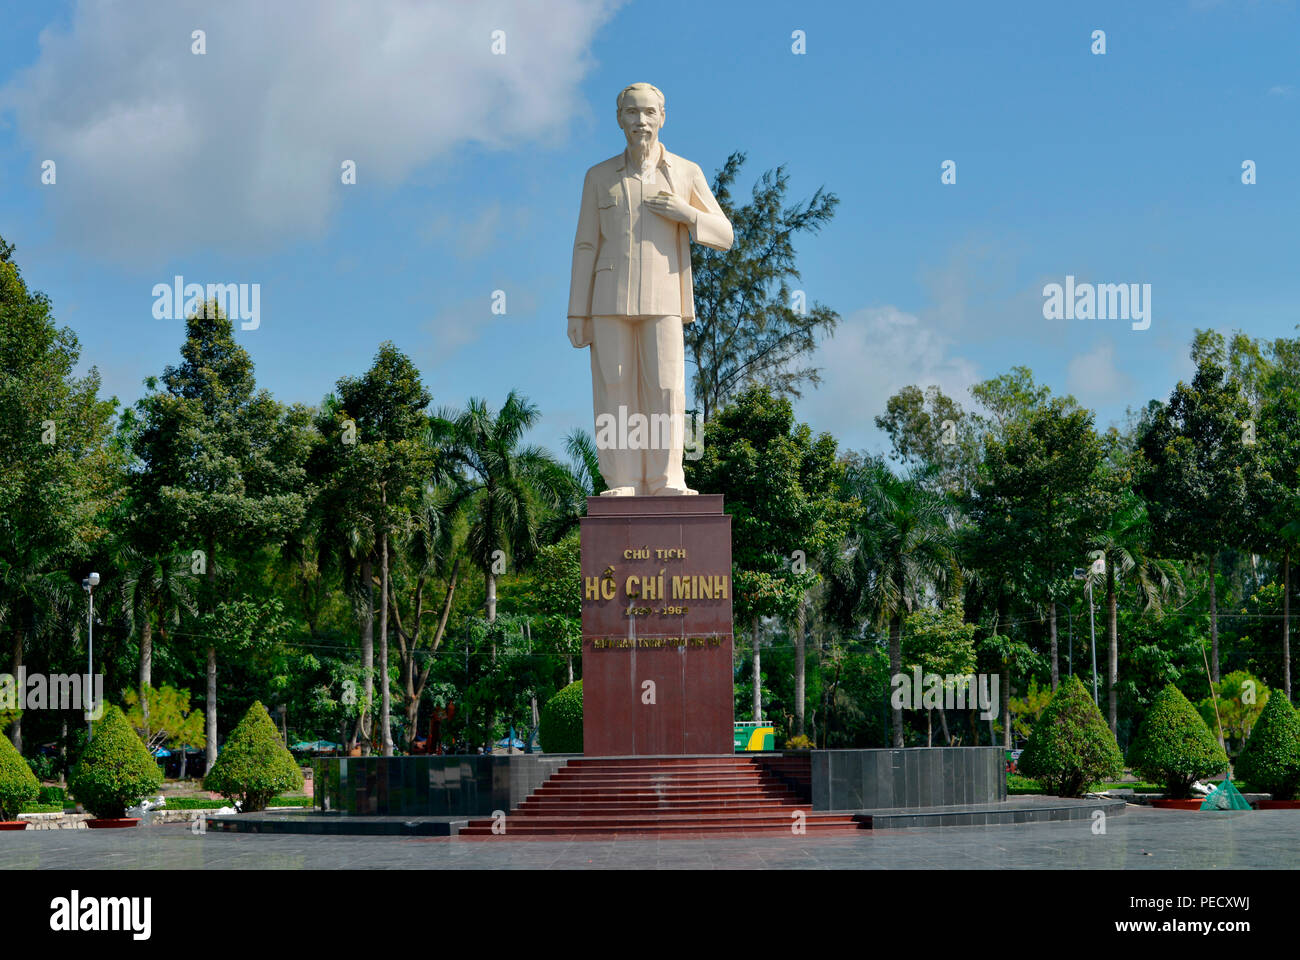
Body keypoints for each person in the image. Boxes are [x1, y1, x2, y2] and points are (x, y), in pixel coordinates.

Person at [567, 82, 733, 496]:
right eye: (632, 113)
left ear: (663, 117)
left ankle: (666, 478)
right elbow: (586, 243)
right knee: (614, 386)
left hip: (664, 295)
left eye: (648, 113)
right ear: (619, 119)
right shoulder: (598, 176)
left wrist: (687, 213)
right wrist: (576, 311)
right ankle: (622, 480)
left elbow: (725, 234)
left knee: (666, 386)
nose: (641, 121)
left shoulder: (685, 172)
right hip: (608, 299)